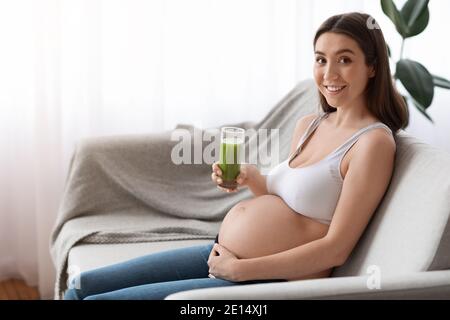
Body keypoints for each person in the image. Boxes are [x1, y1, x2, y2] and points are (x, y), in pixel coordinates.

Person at [64, 12, 408, 300]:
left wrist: (240, 270)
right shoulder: (310, 124)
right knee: (81, 288)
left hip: (268, 281)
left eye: (344, 60)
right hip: (220, 254)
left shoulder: (372, 144)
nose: (329, 74)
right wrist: (252, 179)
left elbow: (336, 249)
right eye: (320, 59)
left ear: (373, 67)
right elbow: (291, 207)